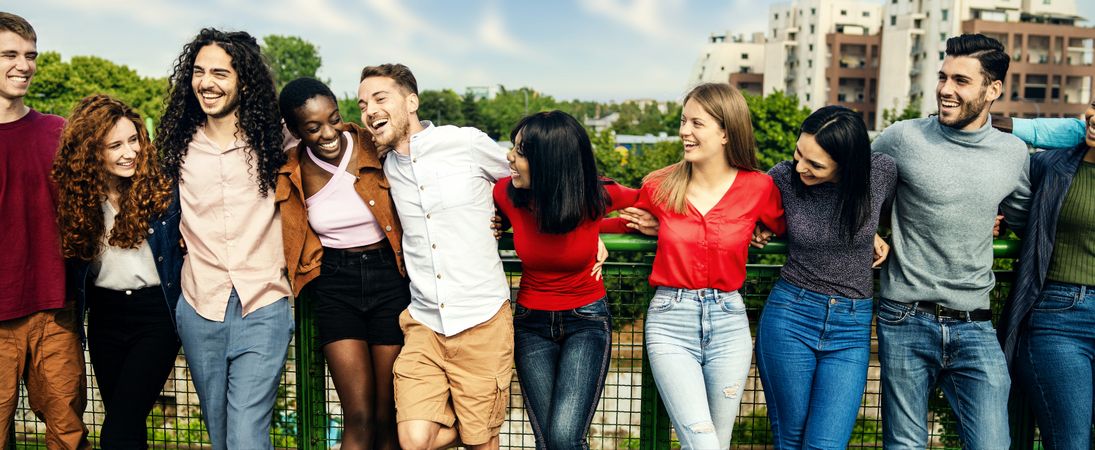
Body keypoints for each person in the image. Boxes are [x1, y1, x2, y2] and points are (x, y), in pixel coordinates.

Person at [871, 33, 1030, 449]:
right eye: (943, 77)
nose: (944, 89)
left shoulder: (1013, 154)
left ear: (992, 89)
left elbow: (1028, 222)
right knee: (905, 445)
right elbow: (850, 186)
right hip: (904, 316)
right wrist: (870, 229)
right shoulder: (903, 137)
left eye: (961, 80)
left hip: (975, 324)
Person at [613, 83, 785, 449]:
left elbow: (797, 226)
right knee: (703, 443)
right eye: (683, 121)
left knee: (716, 444)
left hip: (729, 323)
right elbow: (611, 218)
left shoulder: (759, 188)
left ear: (726, 132)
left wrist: (872, 236)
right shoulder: (660, 185)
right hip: (671, 323)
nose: (683, 132)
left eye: (696, 123)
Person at [357, 63, 512, 450]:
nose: (369, 110)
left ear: (411, 101)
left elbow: (521, 185)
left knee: (481, 443)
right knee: (413, 440)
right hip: (424, 323)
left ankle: (480, 427)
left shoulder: (467, 143)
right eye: (362, 104)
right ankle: (476, 421)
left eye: (380, 98)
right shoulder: (383, 164)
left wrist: (507, 221)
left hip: (482, 321)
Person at [154, 28, 293, 450]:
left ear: (244, 81)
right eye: (198, 72)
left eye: (219, 72)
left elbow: (336, 148)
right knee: (220, 435)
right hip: (199, 306)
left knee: (247, 435)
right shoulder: (177, 145)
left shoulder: (277, 140)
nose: (206, 83)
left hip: (264, 304)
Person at [751, 105, 896, 449]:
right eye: (799, 153)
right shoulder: (783, 177)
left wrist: (876, 233)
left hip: (851, 327)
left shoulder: (881, 173)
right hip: (791, 316)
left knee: (825, 444)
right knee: (792, 440)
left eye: (815, 164)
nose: (801, 166)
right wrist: (760, 226)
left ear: (847, 166)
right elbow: (739, 212)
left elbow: (895, 214)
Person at [276, 77, 407, 450]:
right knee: (359, 417)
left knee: (388, 417)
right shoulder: (291, 171)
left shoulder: (372, 146)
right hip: (335, 284)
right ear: (295, 130)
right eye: (313, 127)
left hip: (389, 279)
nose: (328, 132)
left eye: (333, 119)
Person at [493, 111, 637, 450]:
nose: (510, 157)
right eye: (513, 147)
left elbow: (656, 201)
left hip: (585, 322)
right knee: (548, 442)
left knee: (564, 438)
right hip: (531, 325)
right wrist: (496, 222)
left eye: (521, 151)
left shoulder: (595, 195)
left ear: (550, 161)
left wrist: (598, 232)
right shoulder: (506, 194)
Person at [52, 95, 182, 450]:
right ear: (92, 151)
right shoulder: (79, 199)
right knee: (126, 422)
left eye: (134, 140)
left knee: (118, 429)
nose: (130, 152)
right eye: (115, 145)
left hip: (156, 317)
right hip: (105, 317)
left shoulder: (162, 191)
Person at [0, 12, 90, 450]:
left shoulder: (58, 131)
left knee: (68, 433)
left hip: (55, 308)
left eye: (30, 55)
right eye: (10, 55)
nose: (24, 65)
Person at [994, 112, 1094, 449]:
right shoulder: (1050, 165)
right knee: (1070, 442)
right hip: (1060, 317)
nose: (1092, 116)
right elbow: (997, 172)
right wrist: (990, 217)